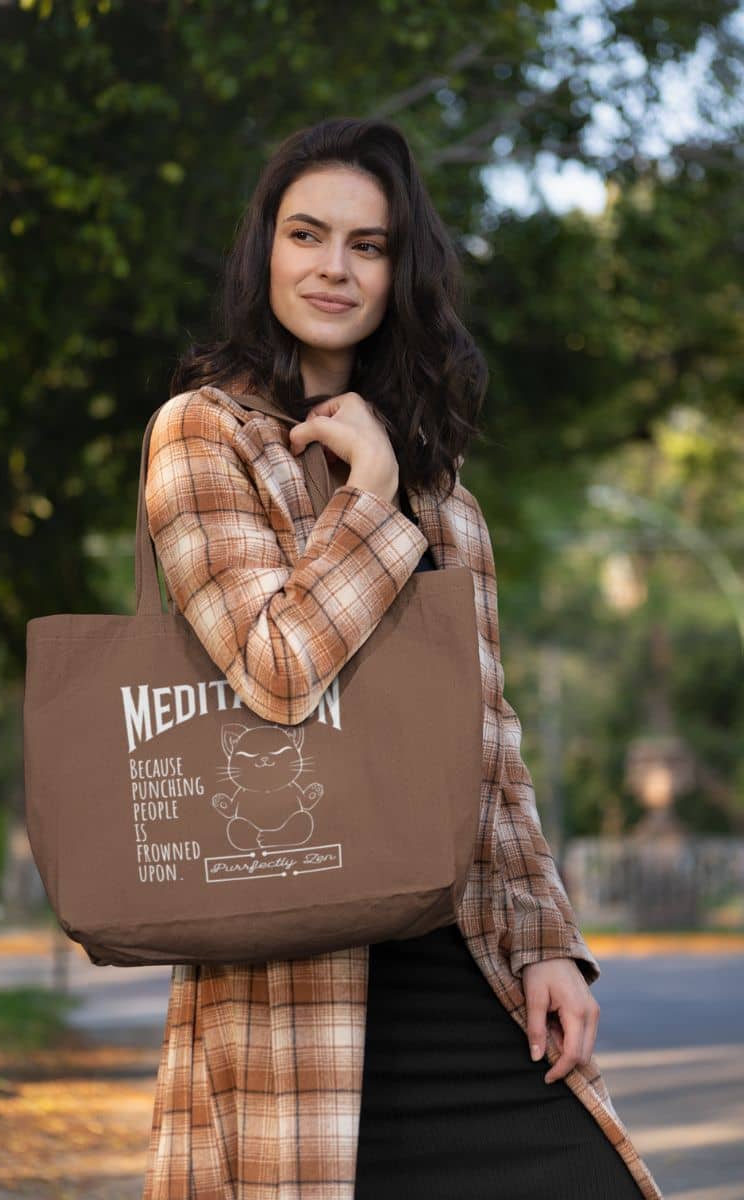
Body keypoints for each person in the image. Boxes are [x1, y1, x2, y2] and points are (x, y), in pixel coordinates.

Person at [142, 117, 663, 1199]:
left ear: (397, 273)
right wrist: (368, 500)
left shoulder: (445, 494)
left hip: (457, 959)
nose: (332, 266)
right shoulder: (202, 435)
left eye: (366, 245)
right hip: (292, 973)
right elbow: (276, 667)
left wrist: (547, 947)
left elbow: (490, 741)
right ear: (265, 253)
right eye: (306, 234)